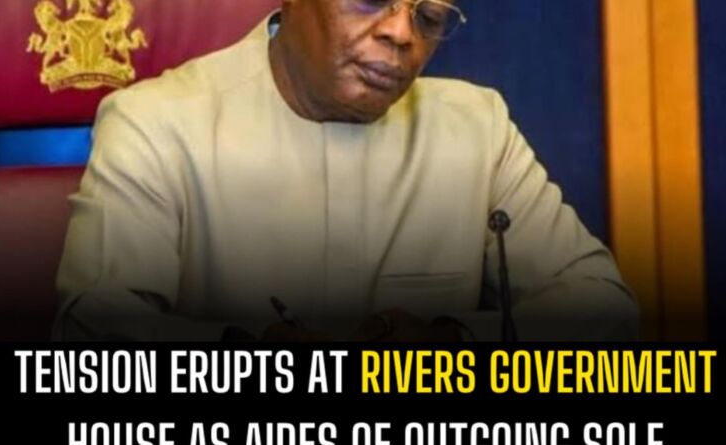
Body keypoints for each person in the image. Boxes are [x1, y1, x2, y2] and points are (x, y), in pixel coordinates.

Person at [54, 0, 638, 342]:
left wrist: (453, 343)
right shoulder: (155, 122)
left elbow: (605, 308)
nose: (401, 33)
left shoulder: (477, 126)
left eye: (429, 16)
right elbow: (95, 335)